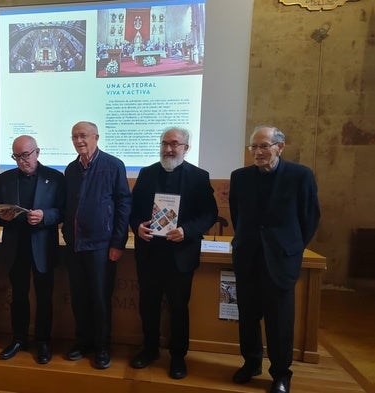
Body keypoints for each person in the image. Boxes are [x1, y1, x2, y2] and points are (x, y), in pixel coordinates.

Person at [229, 126, 320, 393]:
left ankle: (281, 373)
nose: (258, 152)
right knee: (247, 316)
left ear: (279, 147)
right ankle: (251, 363)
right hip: (248, 257)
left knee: (280, 320)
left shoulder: (300, 176)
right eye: (253, 147)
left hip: (281, 260)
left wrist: (290, 246)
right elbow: (238, 215)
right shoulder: (240, 177)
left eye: (264, 146)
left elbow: (310, 217)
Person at [129, 127, 218, 379]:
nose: (169, 149)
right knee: (148, 304)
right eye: (165, 143)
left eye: (175, 144)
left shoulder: (199, 177)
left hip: (181, 254)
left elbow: (208, 213)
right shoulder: (146, 174)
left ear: (186, 148)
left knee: (179, 307)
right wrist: (137, 226)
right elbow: (133, 211)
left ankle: (178, 356)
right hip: (149, 252)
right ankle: (149, 349)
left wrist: (187, 230)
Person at [62, 121, 132, 369]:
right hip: (75, 245)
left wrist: (118, 242)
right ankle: (83, 343)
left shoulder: (113, 165)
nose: (79, 141)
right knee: (79, 298)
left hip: (102, 246)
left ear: (96, 137)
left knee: (101, 299)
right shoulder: (70, 169)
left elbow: (124, 205)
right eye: (74, 137)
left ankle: (102, 348)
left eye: (83, 136)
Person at [0, 135, 65, 364]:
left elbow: (63, 211)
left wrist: (45, 216)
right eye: (16, 156)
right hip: (15, 248)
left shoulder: (55, 178)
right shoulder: (4, 179)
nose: (22, 160)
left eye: (26, 155)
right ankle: (18, 338)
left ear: (37, 152)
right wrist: (1, 216)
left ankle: (43, 341)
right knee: (18, 296)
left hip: (42, 247)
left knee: (44, 298)